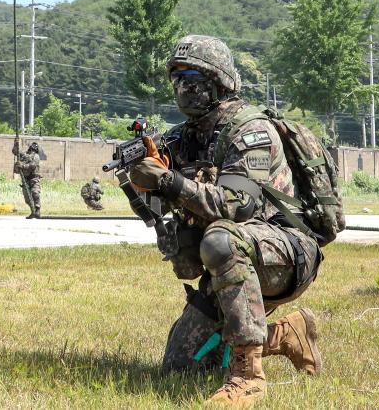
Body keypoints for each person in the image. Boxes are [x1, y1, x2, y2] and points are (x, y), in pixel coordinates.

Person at [128, 35, 323, 407]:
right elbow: (169, 221)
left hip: (284, 252)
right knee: (181, 367)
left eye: (192, 80)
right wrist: (141, 183)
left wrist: (169, 180)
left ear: (219, 84)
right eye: (177, 80)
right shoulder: (186, 138)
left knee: (220, 238)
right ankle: (285, 335)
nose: (183, 89)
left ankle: (248, 377)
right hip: (232, 261)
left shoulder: (251, 133)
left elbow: (235, 205)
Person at [12, 138, 42, 218]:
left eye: (34, 147)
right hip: (25, 179)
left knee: (35, 193)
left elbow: (33, 165)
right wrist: (16, 143)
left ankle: (37, 209)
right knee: (27, 198)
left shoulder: (36, 156)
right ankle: (33, 211)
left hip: (34, 178)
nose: (33, 148)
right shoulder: (25, 155)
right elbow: (16, 152)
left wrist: (23, 166)